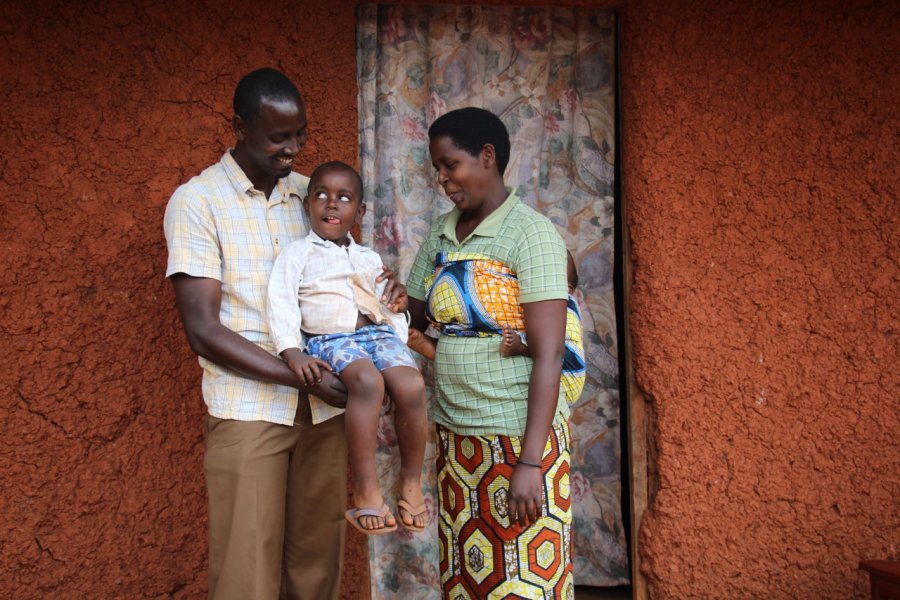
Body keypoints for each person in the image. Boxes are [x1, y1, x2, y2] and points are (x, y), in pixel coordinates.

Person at [163, 68, 404, 600]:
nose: (293, 148)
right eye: (278, 137)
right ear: (240, 126)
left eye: (300, 134)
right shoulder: (199, 201)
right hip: (249, 409)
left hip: (324, 410)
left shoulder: (315, 196)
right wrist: (302, 377)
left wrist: (387, 300)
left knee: (316, 567)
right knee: (245, 574)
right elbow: (202, 329)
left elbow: (345, 288)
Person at [407, 107, 575, 598]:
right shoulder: (441, 234)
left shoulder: (531, 234)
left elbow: (549, 354)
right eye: (437, 169)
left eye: (450, 164)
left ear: (487, 156)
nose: (443, 179)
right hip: (458, 437)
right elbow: (411, 318)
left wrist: (529, 465)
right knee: (467, 579)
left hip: (518, 436)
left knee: (522, 581)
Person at [266, 161, 428, 535]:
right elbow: (282, 303)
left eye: (344, 198)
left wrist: (398, 311)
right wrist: (292, 352)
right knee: (369, 383)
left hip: (377, 335)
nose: (331, 205)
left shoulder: (368, 258)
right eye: (321, 195)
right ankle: (366, 491)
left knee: (411, 386)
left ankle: (410, 482)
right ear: (308, 205)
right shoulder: (297, 255)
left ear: (360, 211)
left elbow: (385, 303)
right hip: (330, 339)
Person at [407, 251, 586, 407]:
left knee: (542, 346)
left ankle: (522, 348)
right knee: (475, 336)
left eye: (545, 270)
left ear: (567, 288)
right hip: (485, 354)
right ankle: (440, 349)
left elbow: (565, 352)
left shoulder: (565, 306)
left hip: (555, 367)